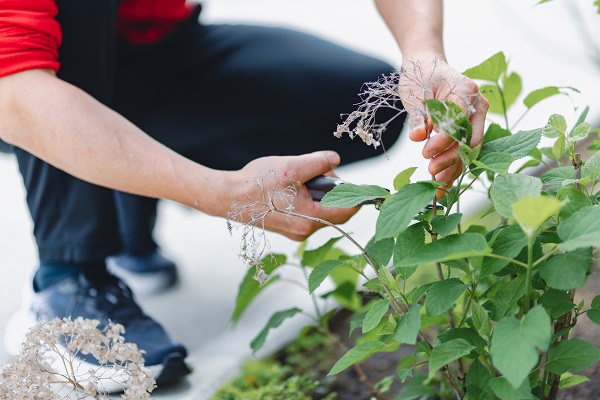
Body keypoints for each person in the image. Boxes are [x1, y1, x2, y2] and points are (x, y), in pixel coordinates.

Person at [0, 0, 487, 392]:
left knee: (366, 103)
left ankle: (120, 186)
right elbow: (15, 90)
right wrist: (221, 192)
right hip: (26, 75)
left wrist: (424, 55)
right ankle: (66, 276)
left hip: (157, 45)